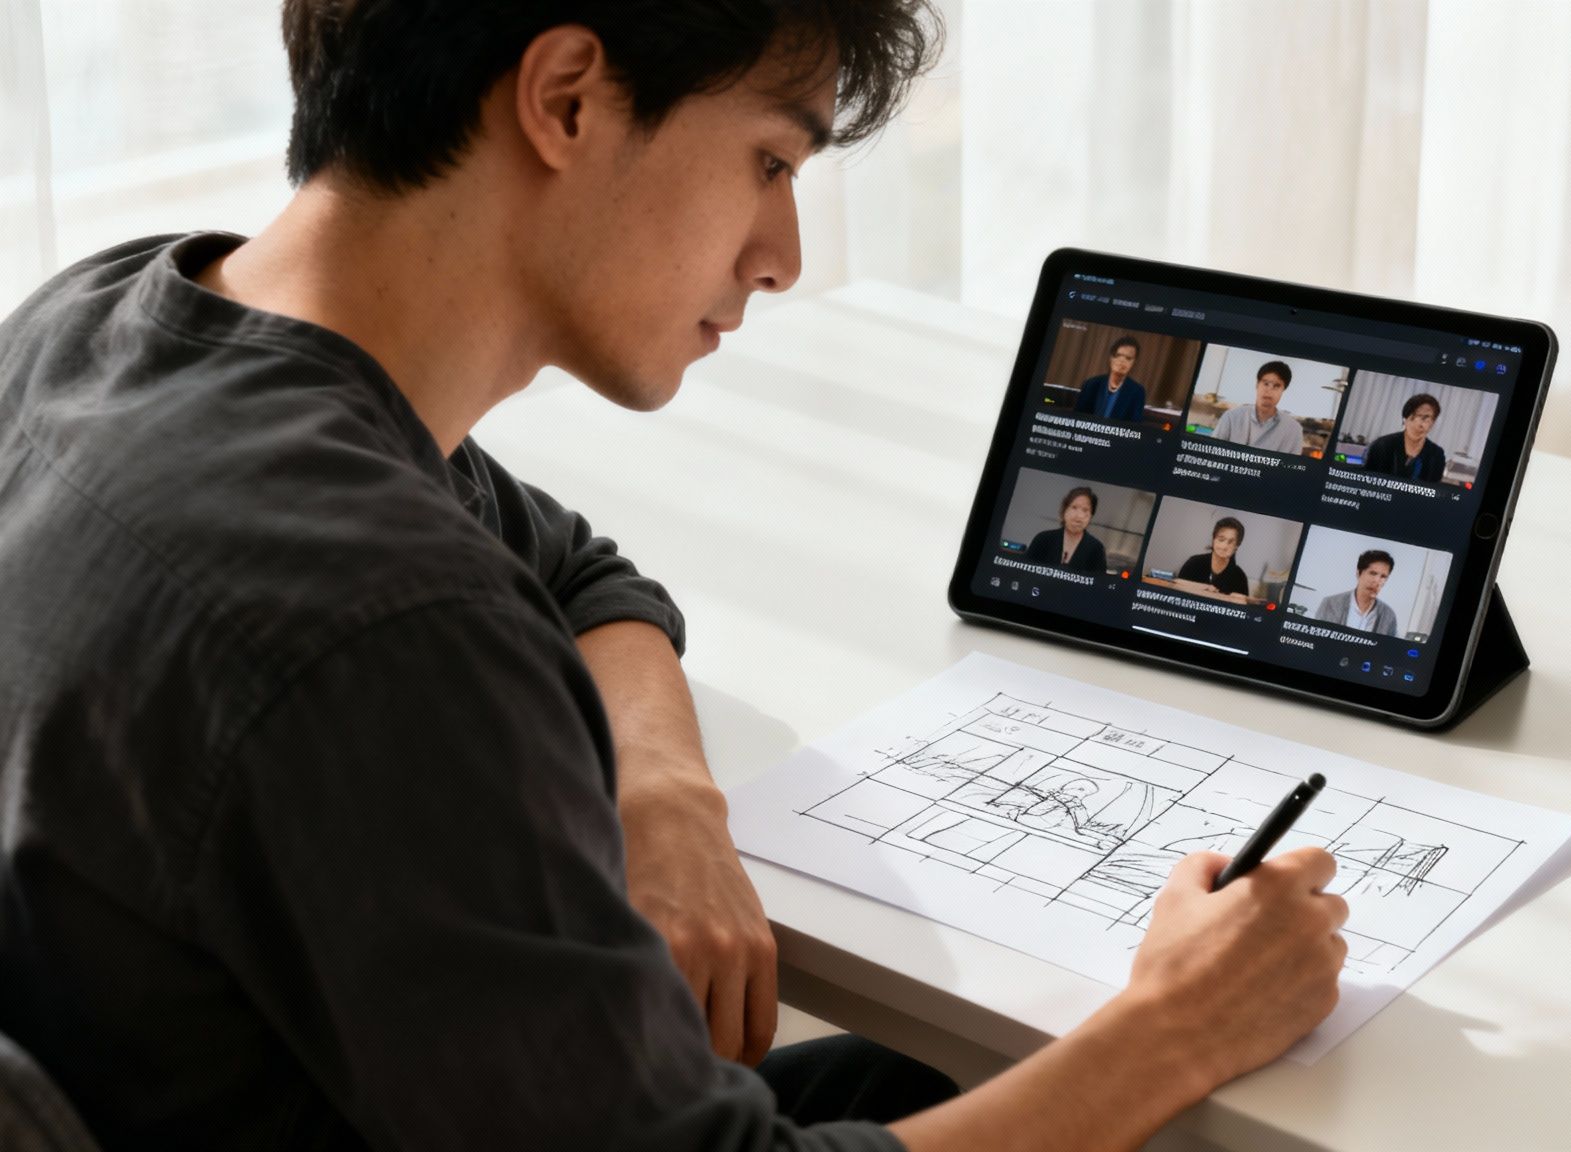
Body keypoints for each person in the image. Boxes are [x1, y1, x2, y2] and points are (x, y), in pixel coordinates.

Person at [0, 4, 1350, 1151]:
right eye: (769, 159)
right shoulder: (386, 625)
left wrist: (666, 792)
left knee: (933, 1081)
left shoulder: (113, 324)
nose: (784, 256)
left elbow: (582, 570)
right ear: (569, 99)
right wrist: (1179, 1023)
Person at [1209, 360, 1304, 453]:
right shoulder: (1231, 417)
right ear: (1257, 385)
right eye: (1266, 383)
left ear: (1283, 390)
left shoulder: (1294, 430)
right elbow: (1211, 454)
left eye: (1276, 386)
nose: (1269, 390)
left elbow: (1291, 467)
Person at [1361, 393, 1447, 483]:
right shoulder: (1381, 445)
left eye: (1426, 419)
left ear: (1432, 423)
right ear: (1404, 419)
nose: (1419, 425)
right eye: (1414, 417)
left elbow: (1434, 491)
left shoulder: (1437, 455)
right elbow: (1368, 483)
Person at [1314, 550, 1402, 636]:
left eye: (1383, 576)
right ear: (1358, 573)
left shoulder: (1389, 616)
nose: (1377, 581)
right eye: (1373, 573)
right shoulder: (1330, 604)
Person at [1023, 486, 1109, 571]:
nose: (1079, 515)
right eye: (1074, 507)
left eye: (1085, 510)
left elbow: (1098, 582)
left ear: (1091, 516)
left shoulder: (1096, 549)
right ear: (1064, 510)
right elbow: (1024, 572)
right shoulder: (1043, 539)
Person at [1071, 336, 1149, 421]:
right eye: (1118, 355)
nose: (1122, 361)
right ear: (1111, 357)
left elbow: (1134, 427)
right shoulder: (1091, 384)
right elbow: (1076, 419)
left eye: (1128, 358)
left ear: (1134, 362)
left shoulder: (1137, 392)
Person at [1174, 517, 1252, 601]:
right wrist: (1204, 588)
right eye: (1221, 539)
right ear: (1213, 539)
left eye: (1231, 542)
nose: (1224, 546)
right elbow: (1176, 586)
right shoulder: (1194, 562)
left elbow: (1242, 609)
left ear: (1236, 546)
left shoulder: (1240, 577)